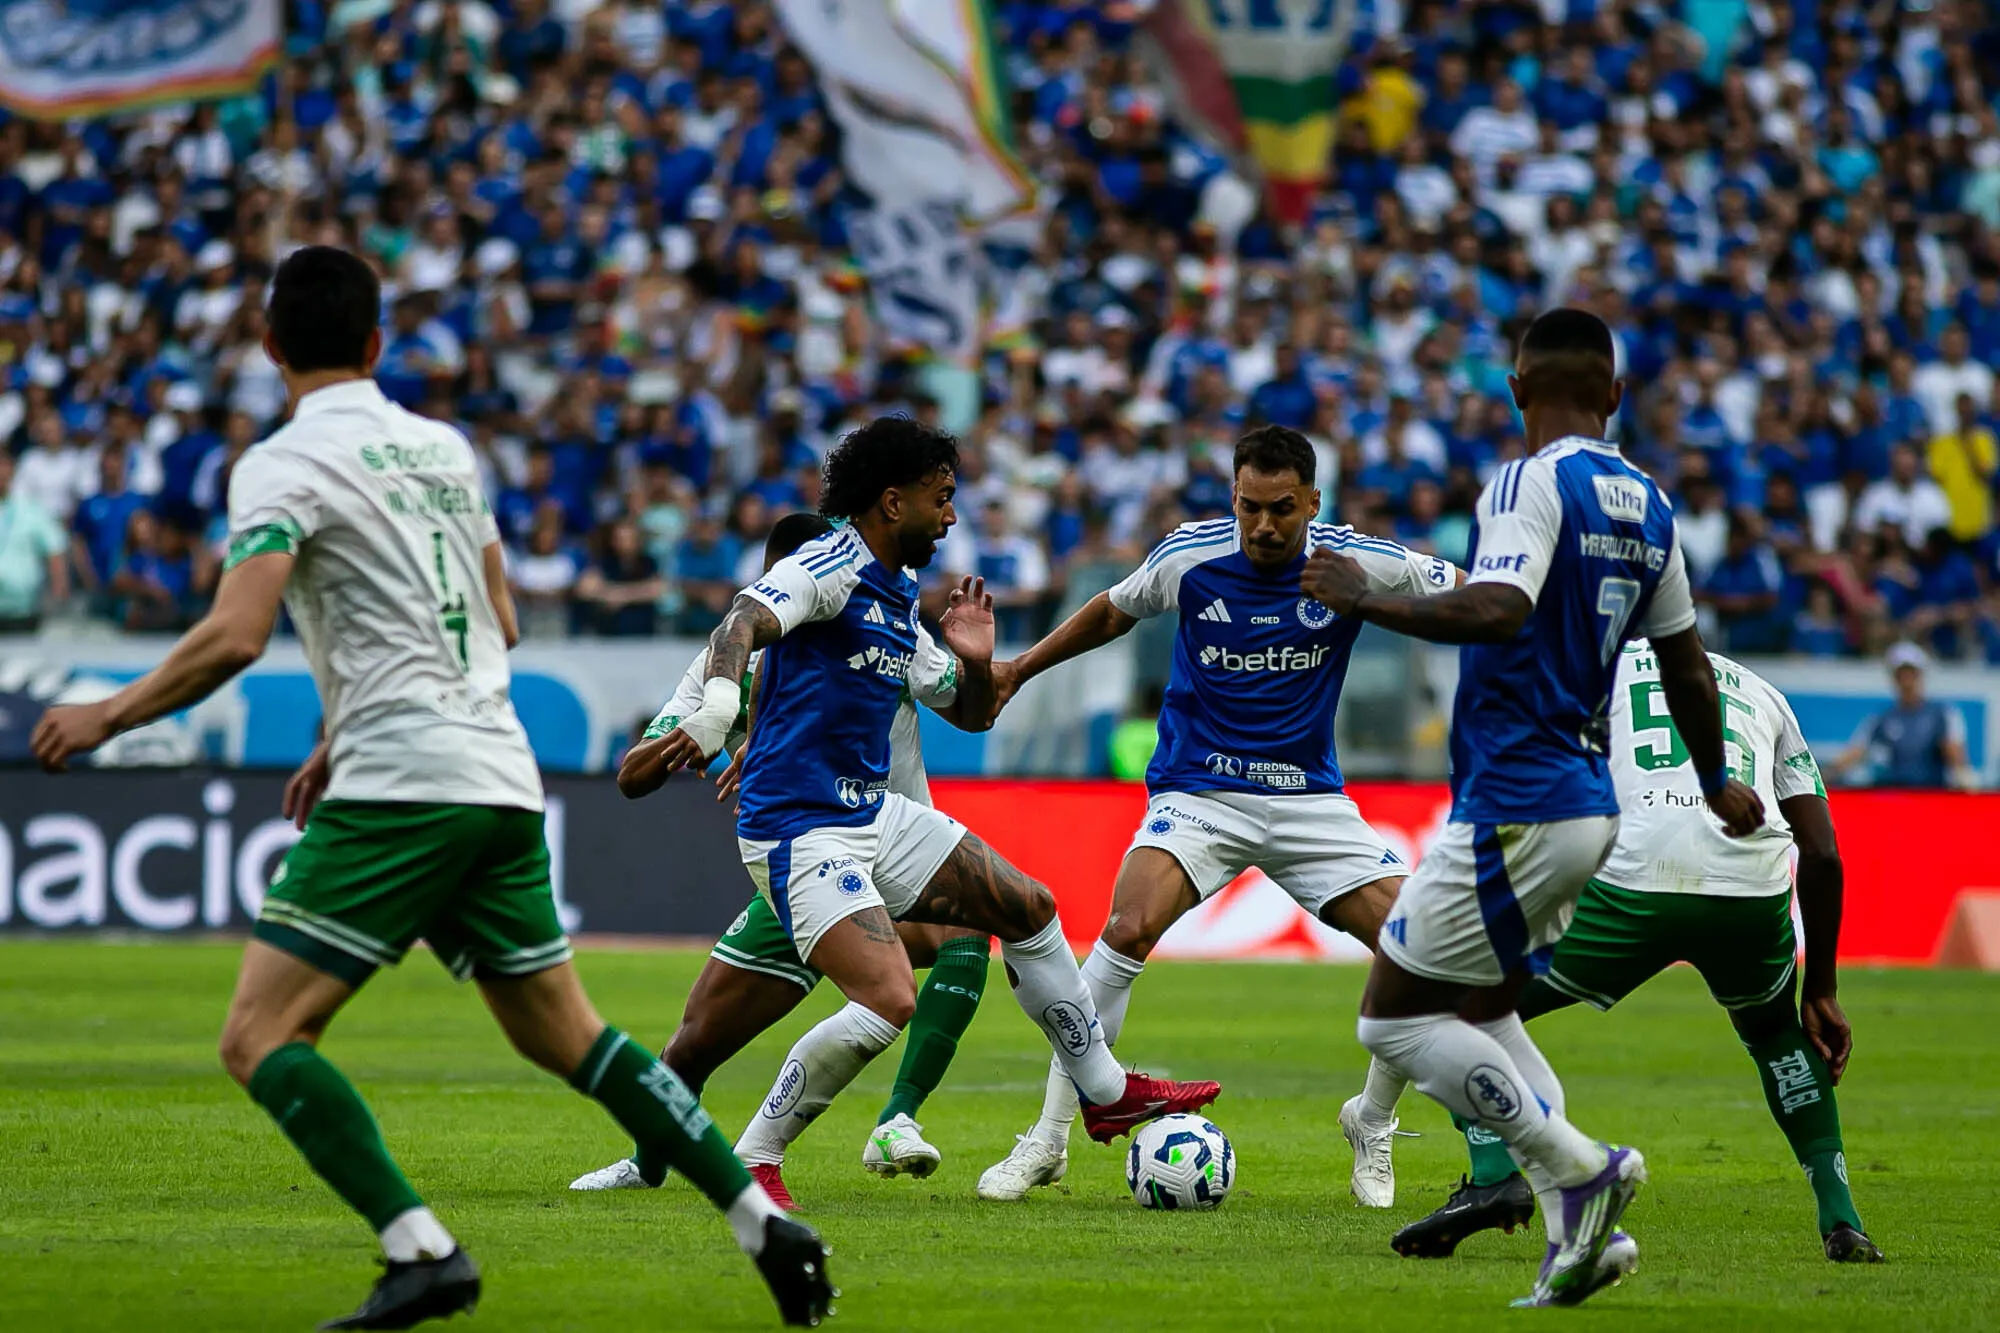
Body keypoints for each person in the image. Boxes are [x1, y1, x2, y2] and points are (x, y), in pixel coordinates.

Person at [27, 246, 833, 1331]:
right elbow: (499, 623)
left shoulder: (276, 464)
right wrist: (344, 720)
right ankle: (759, 1222)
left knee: (258, 1037)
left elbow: (235, 632)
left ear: (270, 348)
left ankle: (422, 1250)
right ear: (376, 345)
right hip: (497, 772)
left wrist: (106, 712)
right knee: (571, 1038)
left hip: (403, 778)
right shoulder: (443, 449)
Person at [1300, 307, 1763, 1308]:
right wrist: (1717, 772)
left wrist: (1363, 599)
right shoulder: (1647, 504)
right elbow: (1683, 660)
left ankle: (1576, 1167)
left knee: (1390, 1022)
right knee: (1483, 1008)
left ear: (1514, 393)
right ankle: (1574, 1236)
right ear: (1613, 395)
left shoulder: (1522, 480)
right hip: (1584, 803)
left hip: (1515, 798)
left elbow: (1498, 607)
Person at [643, 416, 1221, 1179]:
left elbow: (974, 712)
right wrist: (718, 712)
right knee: (886, 999)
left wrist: (977, 661)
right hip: (800, 827)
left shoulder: (899, 587)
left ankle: (1106, 1092)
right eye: (941, 497)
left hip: (868, 813)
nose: (952, 515)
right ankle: (756, 1155)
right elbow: (745, 618)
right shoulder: (827, 563)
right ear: (891, 501)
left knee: (1028, 907)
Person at [973, 424, 1461, 1206]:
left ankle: (1370, 1119)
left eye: (1280, 509)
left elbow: (1466, 591)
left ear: (1312, 502)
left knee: (1420, 949)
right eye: (1248, 507)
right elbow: (1112, 610)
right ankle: (1048, 1139)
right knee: (1125, 927)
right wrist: (1020, 670)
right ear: (1232, 497)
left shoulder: (1353, 560)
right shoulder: (1190, 556)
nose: (1263, 526)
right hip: (1200, 791)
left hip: (1309, 800)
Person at [1392, 645, 1883, 1265]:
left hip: (1633, 882)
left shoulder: (1582, 667)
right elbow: (1824, 853)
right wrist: (1822, 990)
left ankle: (1494, 1174)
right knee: (1778, 1037)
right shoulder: (1764, 693)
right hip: (1751, 893)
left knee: (1450, 1007)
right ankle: (1843, 1220)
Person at [570, 512, 994, 1203]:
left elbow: (973, 704)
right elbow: (631, 775)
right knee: (693, 1044)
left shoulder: (885, 626)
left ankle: (897, 1117)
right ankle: (647, 1161)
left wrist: (977, 661)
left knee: (971, 923)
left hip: (893, 856)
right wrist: (691, 737)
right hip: (802, 871)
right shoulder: (730, 658)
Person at [1827, 642, 1977, 790]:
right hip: (1896, 794)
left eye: (1911, 674)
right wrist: (1827, 774)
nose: (1906, 681)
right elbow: (1856, 751)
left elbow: (1956, 757)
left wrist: (1964, 779)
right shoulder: (1883, 718)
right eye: (1901, 675)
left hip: (1931, 795)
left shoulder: (1942, 714)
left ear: (1920, 676)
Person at [0, 450, 70, 633]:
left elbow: (54, 549)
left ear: (12, 471)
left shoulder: (31, 509)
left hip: (22, 610)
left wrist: (59, 589)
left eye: (3, 466)